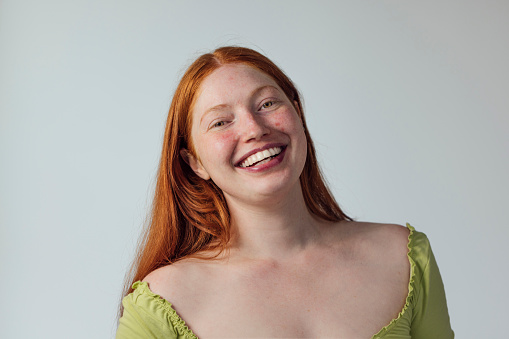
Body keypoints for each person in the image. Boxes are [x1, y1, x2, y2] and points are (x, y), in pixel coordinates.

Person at [116, 46, 453, 338]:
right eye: (221, 122)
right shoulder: (162, 302)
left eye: (266, 104)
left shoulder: (405, 257)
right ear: (195, 163)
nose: (253, 129)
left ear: (298, 114)